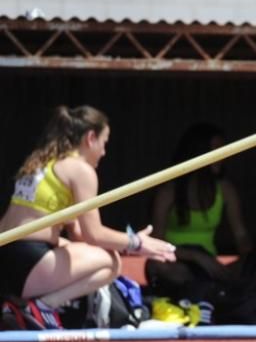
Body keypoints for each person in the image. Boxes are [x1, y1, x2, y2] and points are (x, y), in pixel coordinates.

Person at [0, 105, 176, 327]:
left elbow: (78, 234)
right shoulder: (80, 170)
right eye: (104, 143)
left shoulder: (42, 162)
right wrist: (136, 243)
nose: (104, 152)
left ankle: (18, 304)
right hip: (27, 260)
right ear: (91, 138)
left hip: (7, 255)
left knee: (81, 247)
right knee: (111, 261)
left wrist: (125, 240)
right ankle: (42, 307)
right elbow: (94, 234)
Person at [146, 123, 256, 292]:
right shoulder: (169, 191)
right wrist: (196, 257)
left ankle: (215, 288)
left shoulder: (225, 189)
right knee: (155, 265)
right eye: (216, 150)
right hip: (178, 263)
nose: (222, 156)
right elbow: (156, 243)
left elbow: (240, 235)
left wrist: (248, 258)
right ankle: (215, 290)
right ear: (198, 153)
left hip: (211, 269)